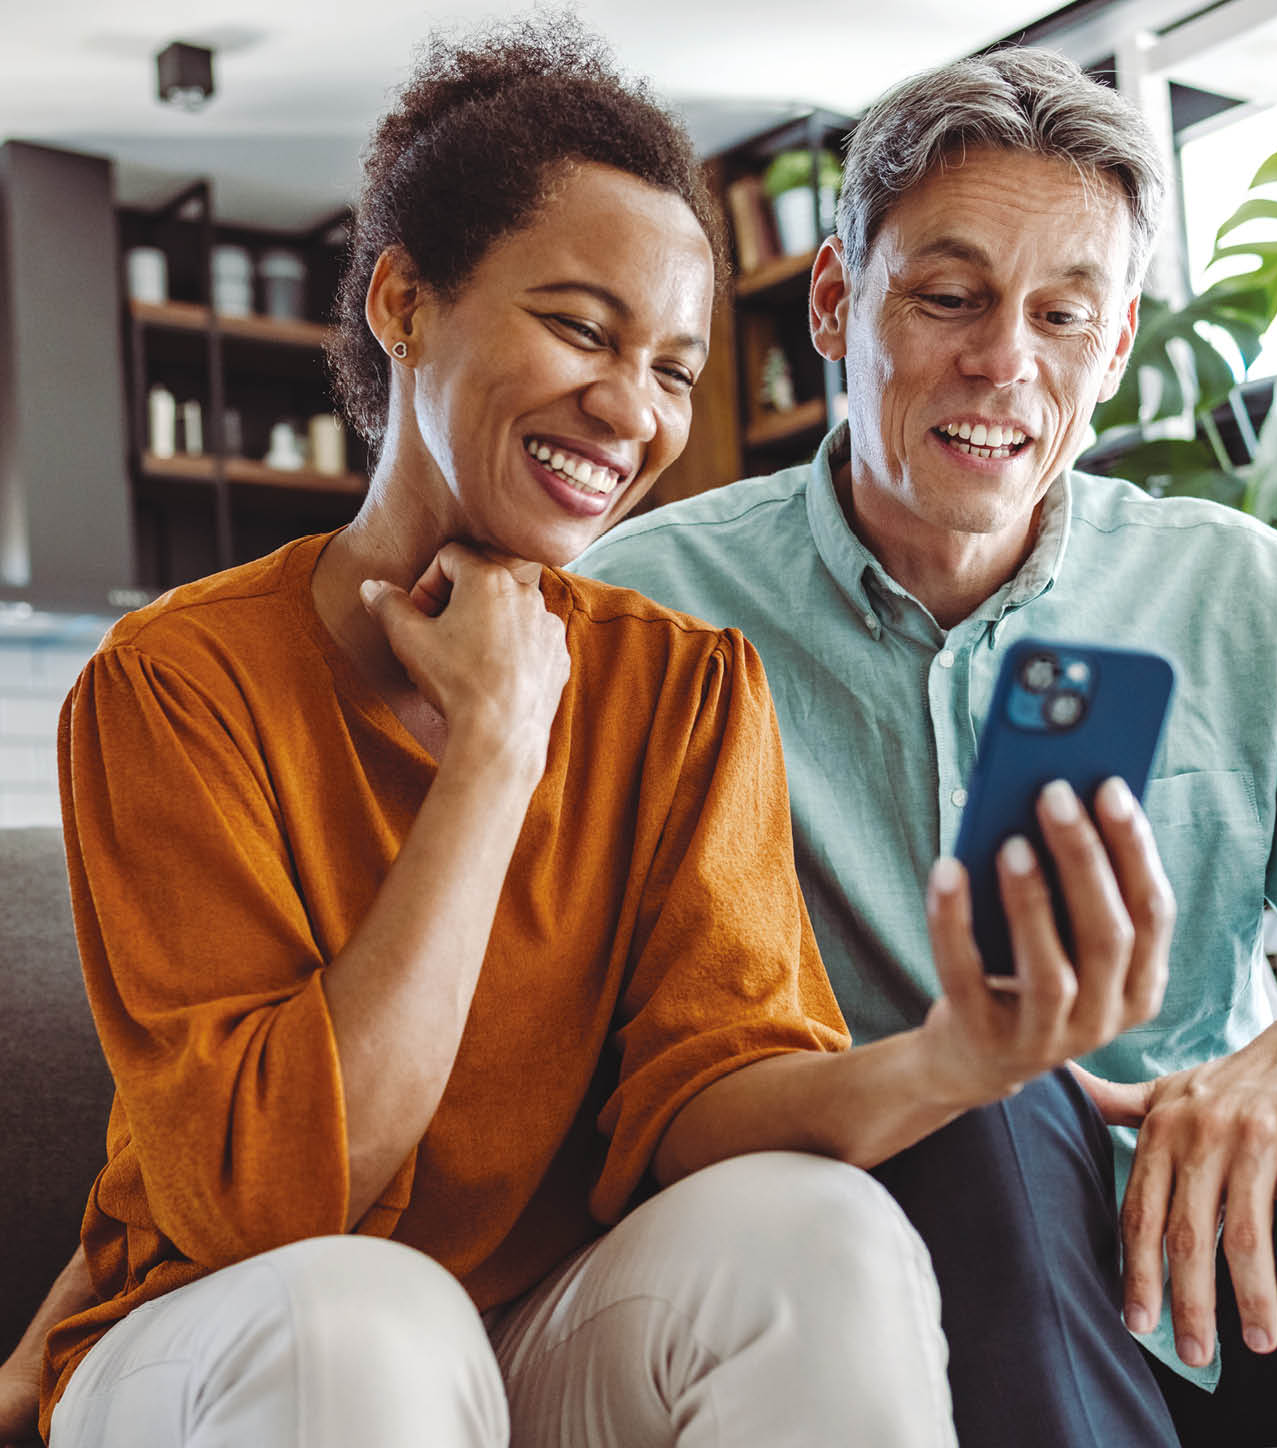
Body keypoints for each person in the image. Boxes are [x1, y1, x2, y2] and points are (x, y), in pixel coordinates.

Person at [0, 23, 1176, 1448]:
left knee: (821, 1236)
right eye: (578, 327)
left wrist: (959, 1060)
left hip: (538, 1339)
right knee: (370, 1319)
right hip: (225, 1338)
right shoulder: (174, 683)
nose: (630, 411)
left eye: (675, 369)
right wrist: (497, 746)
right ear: (403, 302)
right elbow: (273, 1205)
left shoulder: (683, 688)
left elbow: (704, 1105)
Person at [570, 47, 1277, 1448]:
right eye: (948, 297)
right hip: (918, 1277)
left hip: (1246, 1267)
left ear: (1113, 351)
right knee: (985, 1101)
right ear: (834, 299)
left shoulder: (1240, 596)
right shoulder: (644, 607)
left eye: (1064, 314)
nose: (1005, 362)